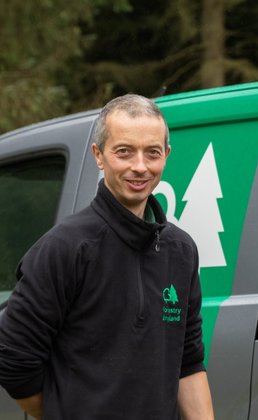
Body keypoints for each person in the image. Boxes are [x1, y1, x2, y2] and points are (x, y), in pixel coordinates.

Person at [0, 94, 213, 419]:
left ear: (166, 155)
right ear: (98, 155)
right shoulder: (64, 248)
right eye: (124, 152)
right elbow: (12, 356)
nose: (139, 166)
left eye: (152, 153)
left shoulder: (181, 251)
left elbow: (189, 362)